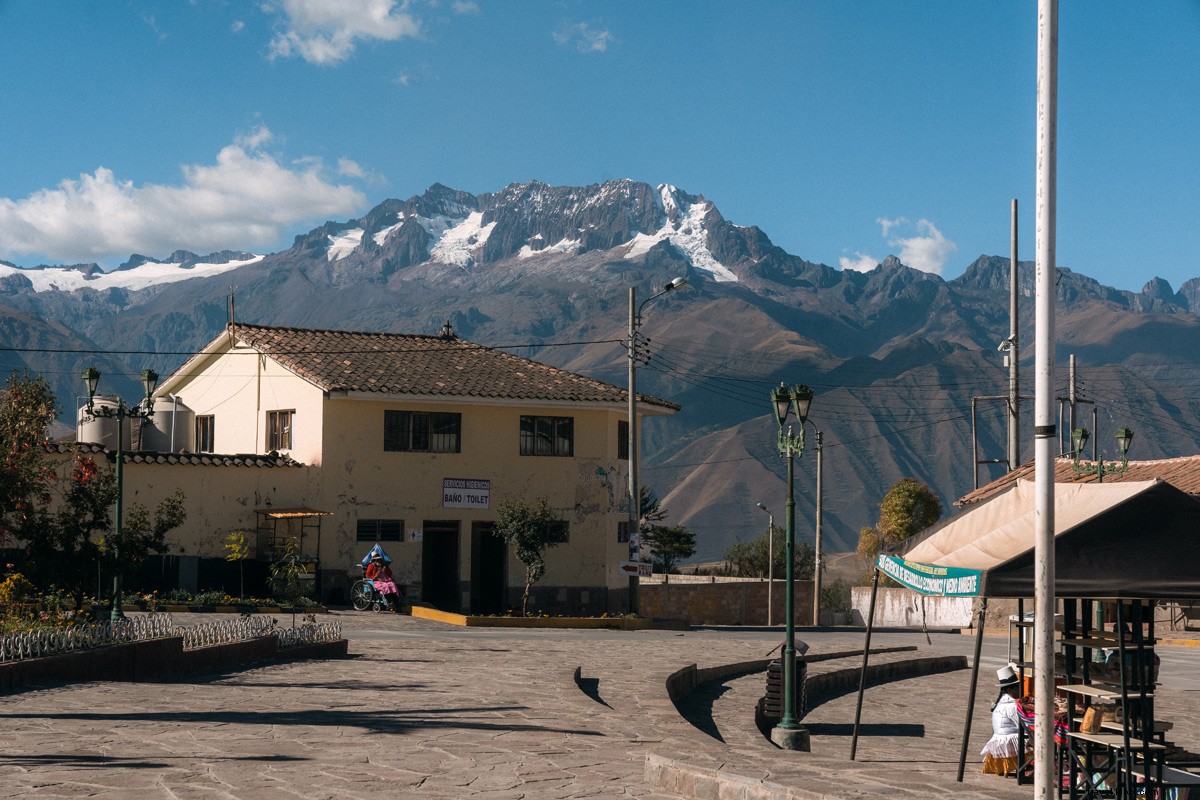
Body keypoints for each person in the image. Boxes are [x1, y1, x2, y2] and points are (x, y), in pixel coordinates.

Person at [981, 664, 1026, 776]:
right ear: (1010, 690)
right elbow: (1022, 724)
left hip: (1000, 740)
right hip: (1008, 740)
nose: (1021, 690)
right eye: (1018, 687)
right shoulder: (1011, 706)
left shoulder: (1001, 702)